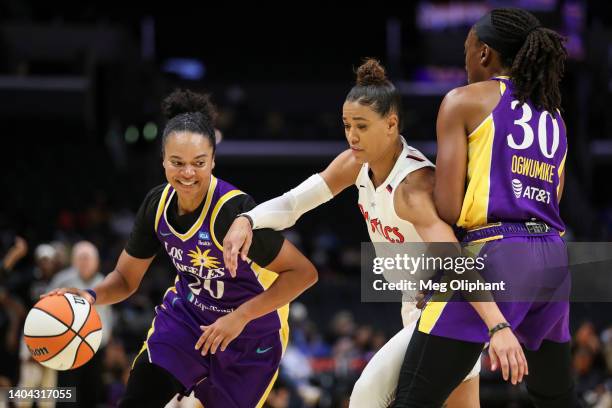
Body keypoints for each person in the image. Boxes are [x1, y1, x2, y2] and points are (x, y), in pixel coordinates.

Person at [222, 59, 524, 407]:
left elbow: (457, 261)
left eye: (362, 126)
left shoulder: (413, 186)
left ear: (391, 124)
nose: (352, 135)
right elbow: (294, 203)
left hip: (448, 309)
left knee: (366, 397)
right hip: (419, 306)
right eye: (347, 125)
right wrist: (248, 219)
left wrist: (497, 326)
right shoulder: (355, 164)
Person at [43, 89, 318, 408]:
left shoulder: (232, 212)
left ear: (213, 161)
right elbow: (125, 279)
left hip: (249, 336)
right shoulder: (156, 206)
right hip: (187, 322)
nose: (188, 173)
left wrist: (240, 317)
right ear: (163, 161)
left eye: (198, 163)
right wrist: (89, 297)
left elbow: (303, 273)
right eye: (177, 162)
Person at [390, 8, 575, 407]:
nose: (465, 59)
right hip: (555, 259)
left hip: (498, 253)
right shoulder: (555, 115)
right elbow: (552, 198)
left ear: (485, 53)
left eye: (467, 49)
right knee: (556, 398)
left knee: (412, 398)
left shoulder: (463, 100)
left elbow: (451, 207)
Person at [49, 241, 113, 408]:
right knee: (67, 397)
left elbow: (107, 317)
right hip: (67, 349)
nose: (85, 262)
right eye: (81, 258)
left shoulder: (104, 282)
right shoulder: (62, 280)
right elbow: (46, 312)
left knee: (92, 396)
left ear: (96, 262)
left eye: (88, 258)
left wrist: (108, 340)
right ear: (73, 261)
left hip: (96, 350)